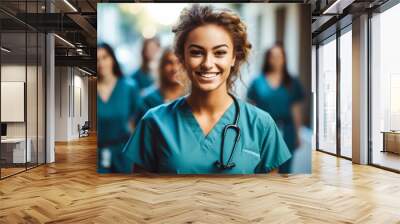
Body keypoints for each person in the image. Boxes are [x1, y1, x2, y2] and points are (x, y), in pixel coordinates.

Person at [123, 4, 291, 174]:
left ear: (234, 57)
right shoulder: (154, 122)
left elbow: (269, 195)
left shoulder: (261, 124)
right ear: (182, 57)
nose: (208, 64)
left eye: (220, 53)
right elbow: (140, 194)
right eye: (196, 52)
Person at [247, 43, 304, 173]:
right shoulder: (257, 81)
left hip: (287, 131)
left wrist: (297, 134)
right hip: (264, 131)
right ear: (267, 59)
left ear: (284, 59)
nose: (276, 60)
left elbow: (295, 109)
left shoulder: (292, 81)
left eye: (279, 56)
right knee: (264, 168)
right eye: (272, 56)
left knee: (285, 169)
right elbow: (251, 109)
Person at [97, 43, 143, 173]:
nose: (101, 63)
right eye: (97, 59)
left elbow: (140, 121)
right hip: (97, 154)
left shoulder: (129, 87)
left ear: (112, 59)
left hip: (123, 154)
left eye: (105, 57)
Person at [141, 48, 187, 114]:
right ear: (161, 66)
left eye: (179, 62)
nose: (175, 68)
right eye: (169, 63)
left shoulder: (192, 95)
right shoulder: (149, 98)